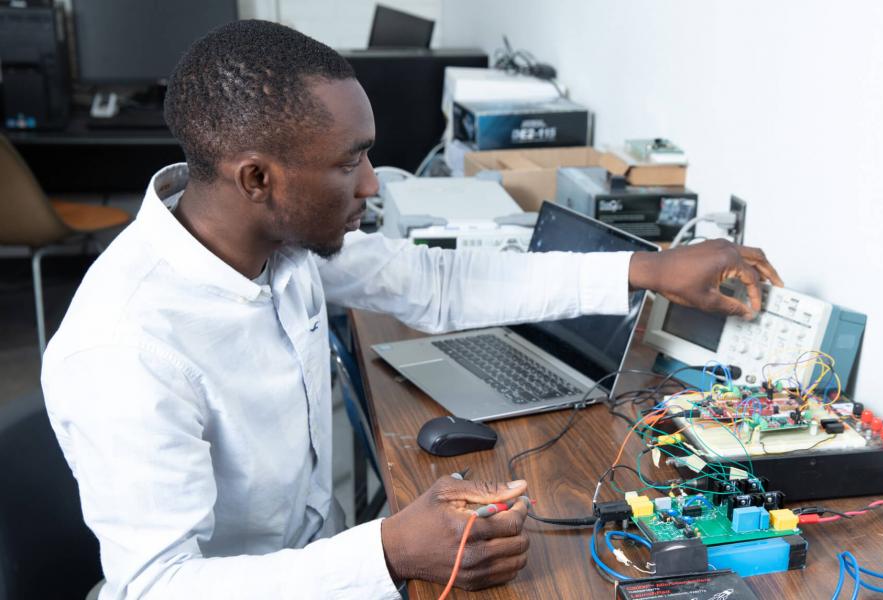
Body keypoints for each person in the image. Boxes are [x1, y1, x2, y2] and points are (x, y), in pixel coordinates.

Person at [41, 20, 782, 600]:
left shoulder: (272, 241)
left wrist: (647, 269)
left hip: (316, 561)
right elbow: (158, 588)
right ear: (258, 177)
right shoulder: (125, 347)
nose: (371, 185)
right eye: (348, 162)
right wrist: (390, 550)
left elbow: (438, 283)